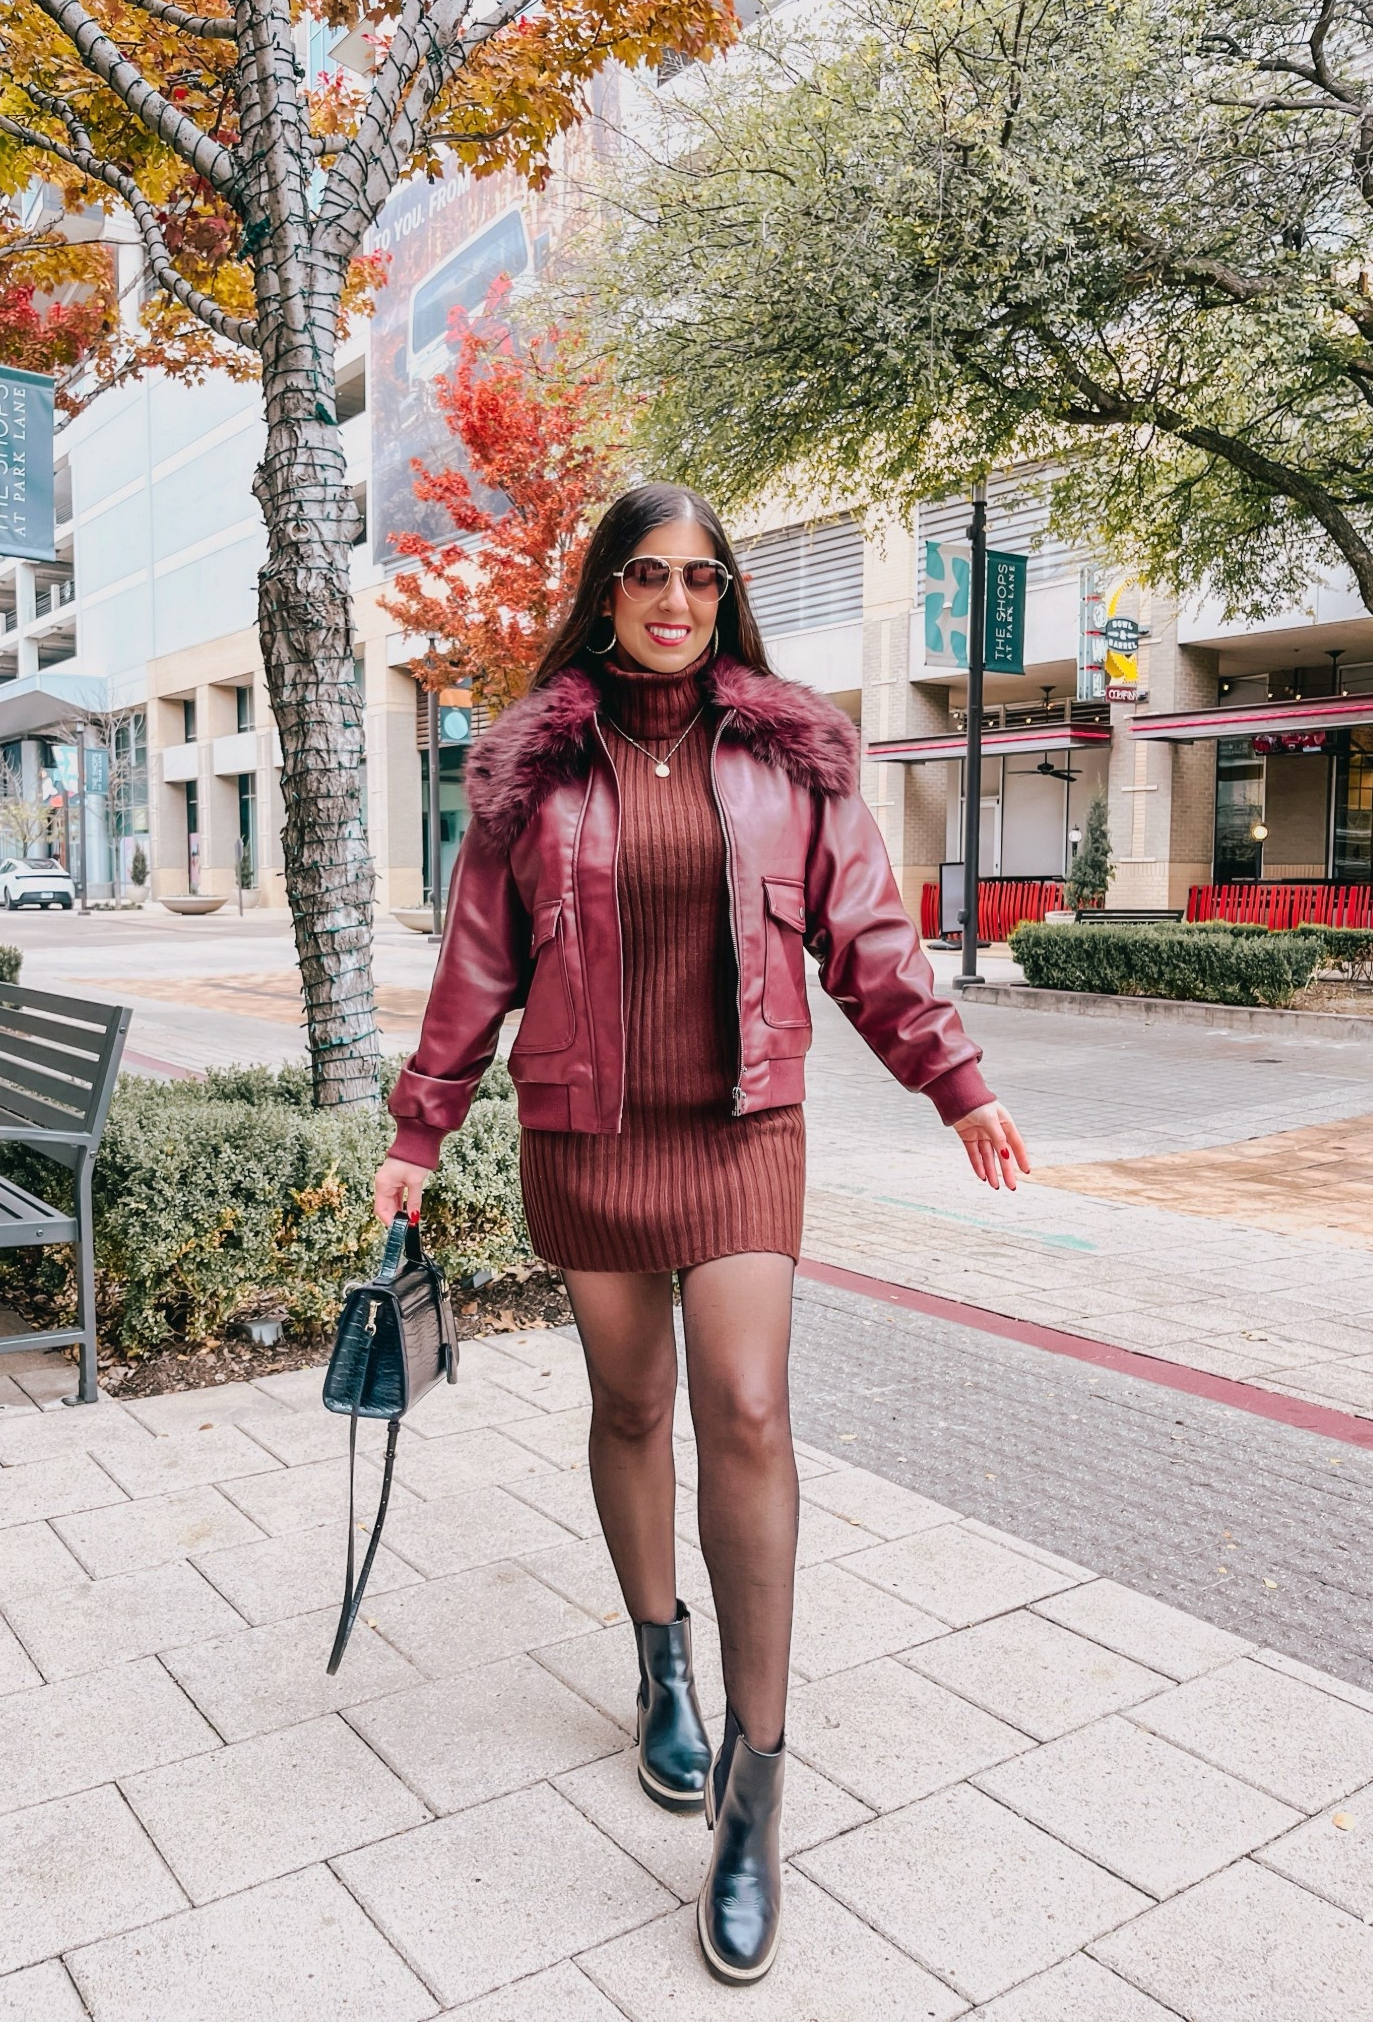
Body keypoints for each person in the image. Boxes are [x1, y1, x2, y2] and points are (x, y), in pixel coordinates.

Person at [375, 481, 1028, 1985]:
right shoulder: (528, 774)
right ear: (604, 591)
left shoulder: (791, 758)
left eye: (699, 577)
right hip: (586, 1135)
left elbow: (866, 937)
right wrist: (421, 1129)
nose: (673, 600)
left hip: (743, 1134)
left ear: (726, 596)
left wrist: (956, 1084)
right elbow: (481, 961)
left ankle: (754, 1778)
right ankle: (656, 1661)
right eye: (645, 574)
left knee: (743, 1409)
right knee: (630, 1404)